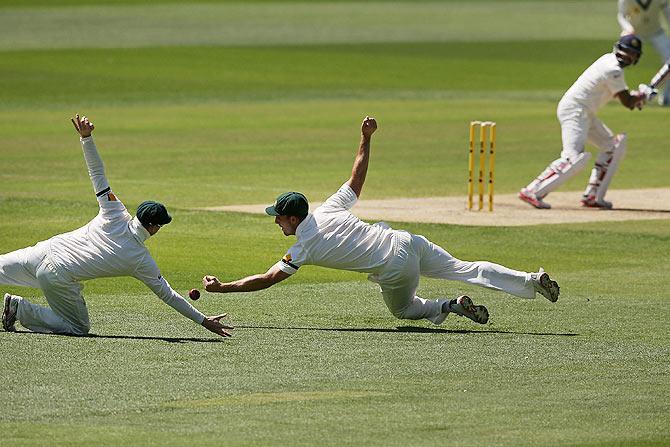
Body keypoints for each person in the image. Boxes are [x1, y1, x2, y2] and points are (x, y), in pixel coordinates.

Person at [202, 117, 560, 326]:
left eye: (278, 218)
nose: (275, 223)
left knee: (404, 310)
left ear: (292, 218)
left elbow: (266, 280)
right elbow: (356, 178)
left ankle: (449, 306)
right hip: (407, 241)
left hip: (394, 265)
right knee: (465, 267)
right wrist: (365, 137)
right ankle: (532, 280)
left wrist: (222, 288)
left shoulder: (302, 248)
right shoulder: (329, 208)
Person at [1, 114, 233, 338]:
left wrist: (86, 138)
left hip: (44, 250)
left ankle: (17, 307)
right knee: (77, 327)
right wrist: (204, 320)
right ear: (153, 227)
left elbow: (97, 174)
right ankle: (20, 309)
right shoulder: (140, 259)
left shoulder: (114, 211)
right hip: (58, 274)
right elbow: (170, 296)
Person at [519, 35, 653, 210]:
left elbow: (623, 96)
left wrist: (640, 97)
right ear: (617, 48)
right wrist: (643, 95)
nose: (628, 56)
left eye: (632, 54)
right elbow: (627, 102)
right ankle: (531, 191)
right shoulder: (613, 69)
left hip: (585, 113)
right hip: (575, 111)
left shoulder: (609, 61)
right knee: (573, 158)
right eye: (625, 51)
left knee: (613, 146)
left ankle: (592, 196)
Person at [618, 0, 670, 105]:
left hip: (656, 32)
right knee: (618, 59)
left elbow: (667, 11)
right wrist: (628, 28)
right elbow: (621, 15)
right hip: (634, 33)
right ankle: (618, 92)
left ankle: (667, 96)